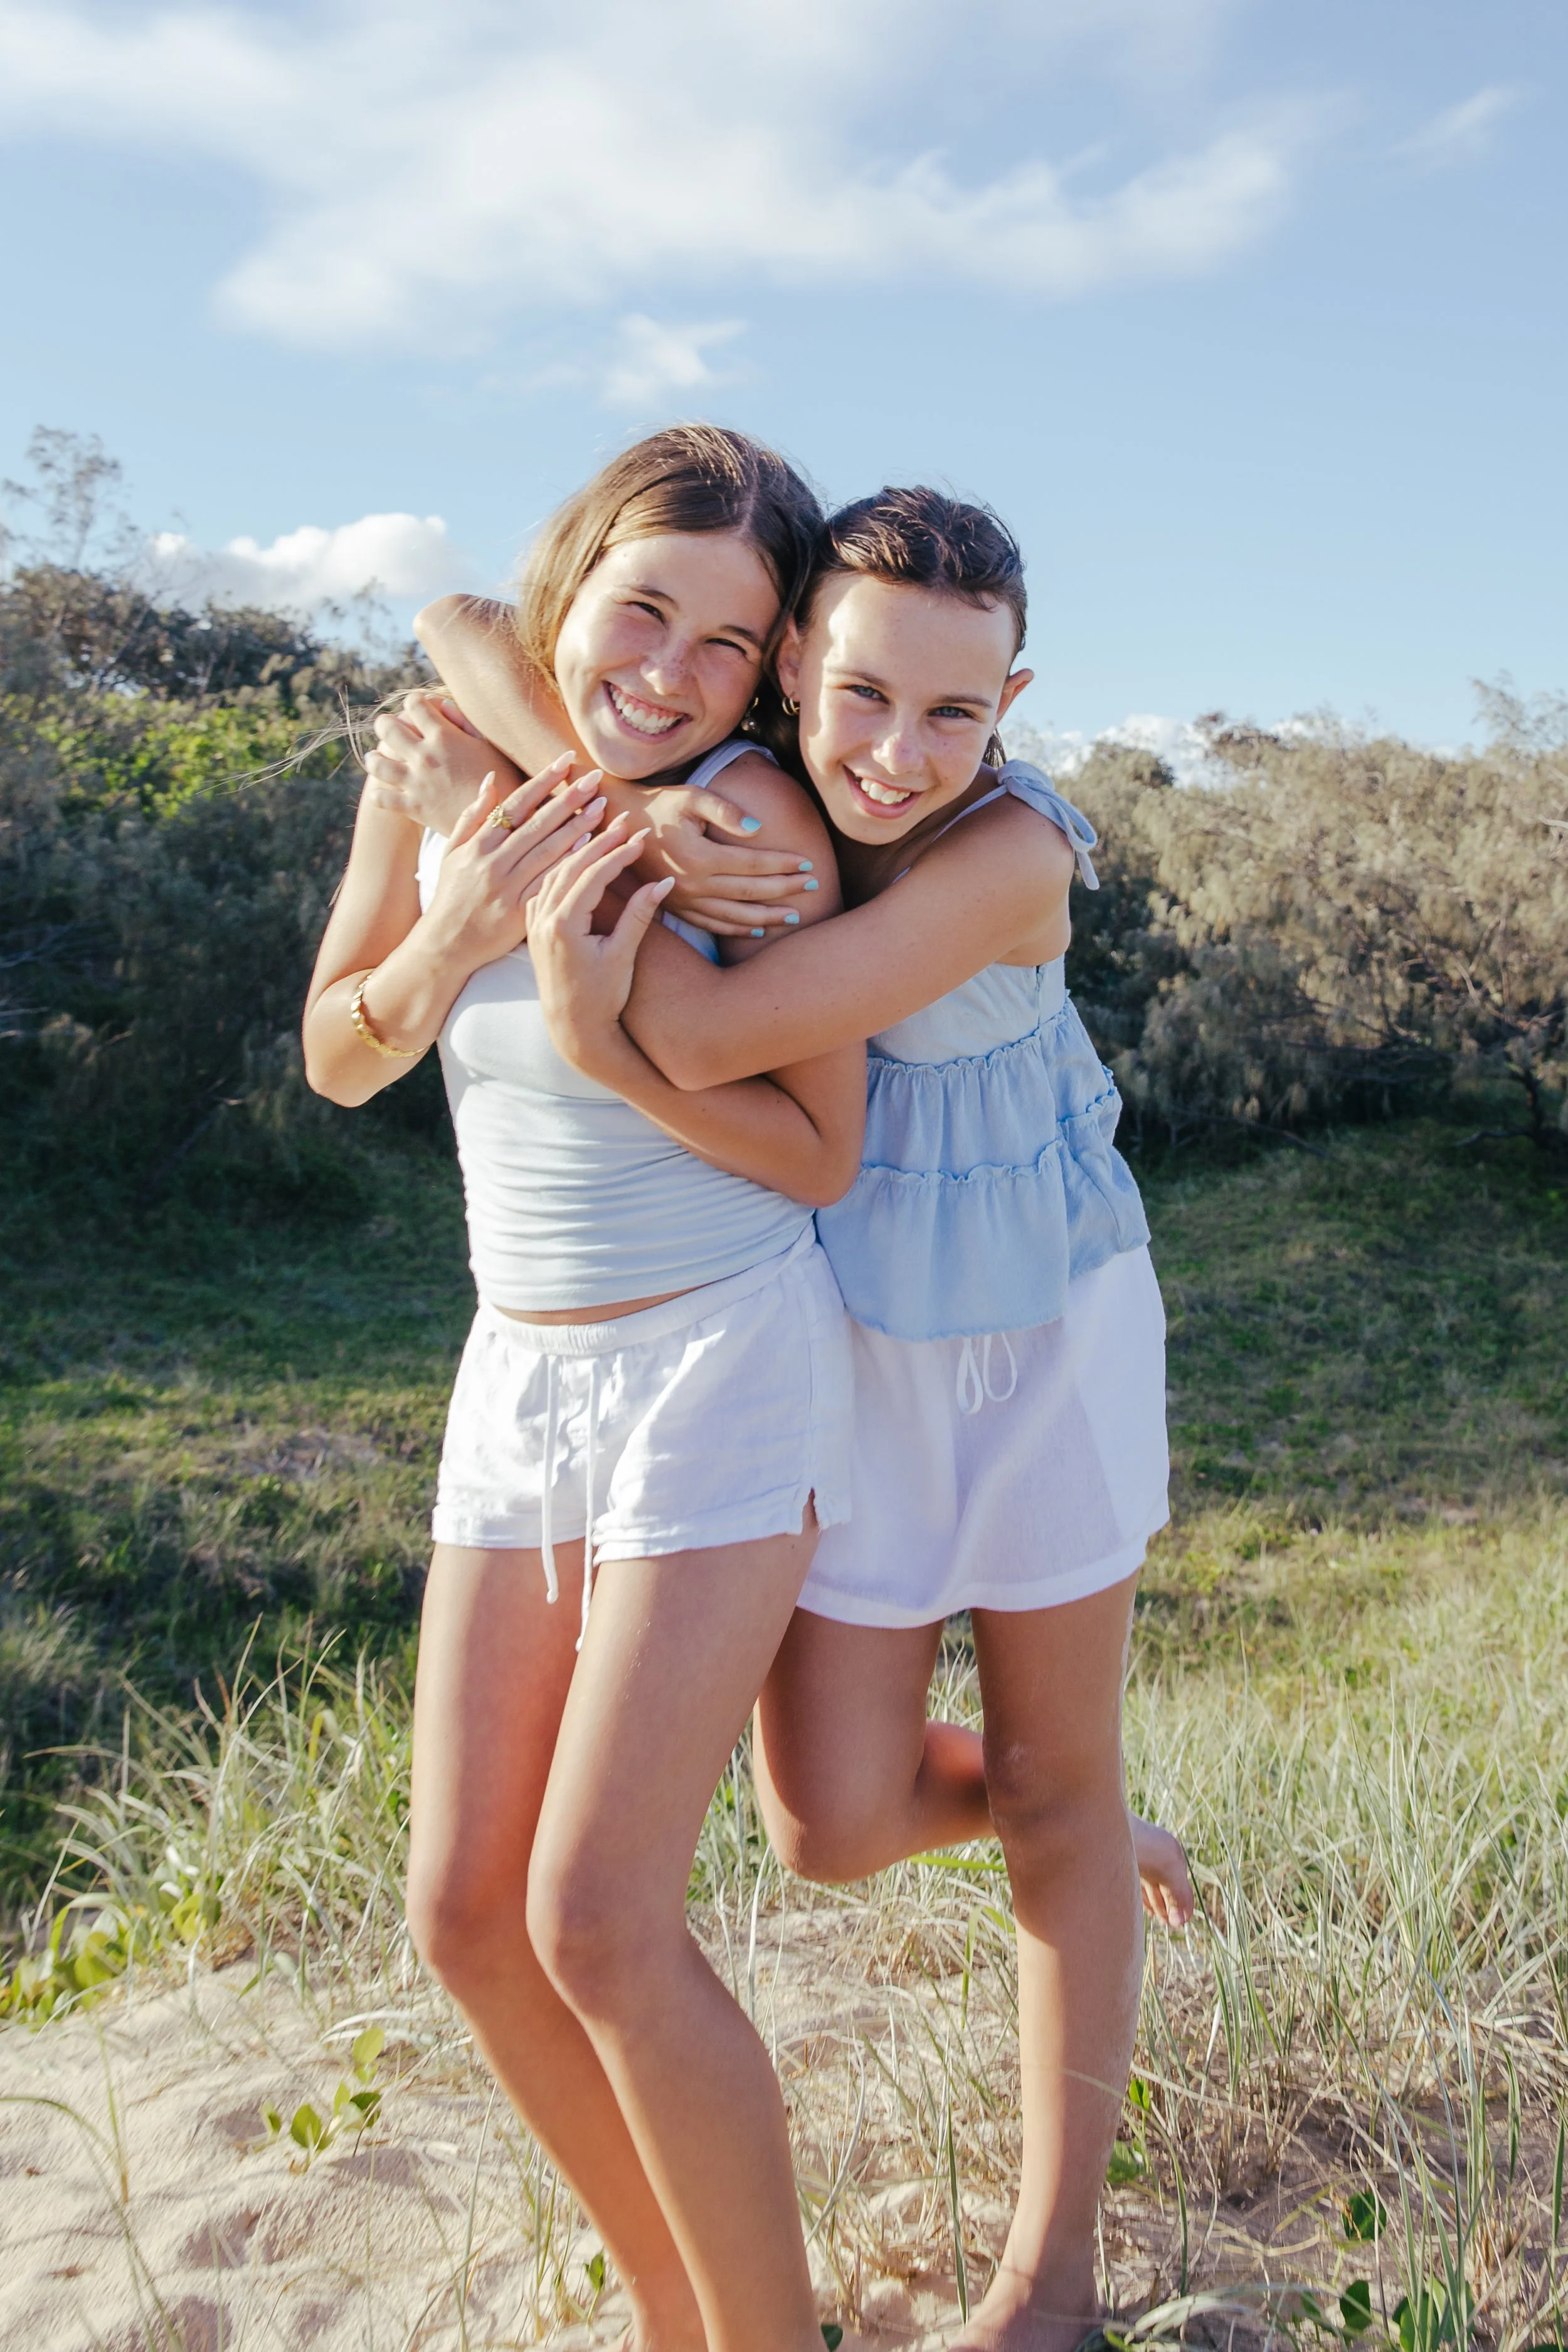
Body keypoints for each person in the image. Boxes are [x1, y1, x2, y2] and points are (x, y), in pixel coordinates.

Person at [388, 482, 1194, 2350]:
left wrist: (591, 1003)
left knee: (1056, 1776)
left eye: (954, 714)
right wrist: (629, 809)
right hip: (852, 1332)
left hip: (1046, 1329)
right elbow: (451, 619)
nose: (897, 754)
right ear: (789, 676)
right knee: (829, 1817)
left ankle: (1047, 2279)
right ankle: (1084, 1825)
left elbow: (728, 1040)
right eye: (857, 698)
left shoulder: (1004, 861)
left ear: (1010, 710)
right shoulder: (742, 797)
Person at [305, 423, 874, 2352]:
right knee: (464, 1918)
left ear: (773, 669)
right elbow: (338, 1055)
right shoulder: (449, 774)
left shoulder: (754, 827)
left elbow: (815, 1151)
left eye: (731, 643)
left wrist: (587, 945)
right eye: (645, 606)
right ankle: (671, 2313)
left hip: (718, 1355)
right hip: (515, 1382)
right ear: (577, 586)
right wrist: (458, 924)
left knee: (596, 1916)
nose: (672, 669)